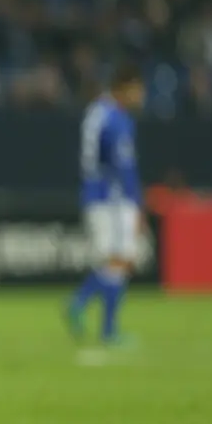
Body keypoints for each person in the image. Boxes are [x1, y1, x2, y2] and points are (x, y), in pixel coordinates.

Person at [67, 62, 145, 345]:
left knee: (117, 261)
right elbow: (123, 167)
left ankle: (103, 325)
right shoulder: (116, 119)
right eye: (138, 90)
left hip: (97, 194)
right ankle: (85, 307)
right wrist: (136, 203)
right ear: (125, 88)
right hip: (112, 198)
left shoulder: (97, 112)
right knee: (120, 260)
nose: (141, 97)